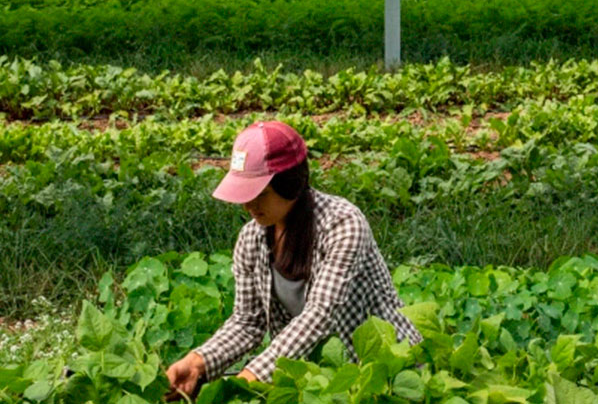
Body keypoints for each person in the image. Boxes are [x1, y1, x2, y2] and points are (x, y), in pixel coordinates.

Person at [164, 121, 422, 395]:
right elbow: (247, 321)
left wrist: (252, 375)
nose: (249, 205)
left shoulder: (343, 225)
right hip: (315, 380)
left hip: (383, 374)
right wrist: (197, 363)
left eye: (260, 194)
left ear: (291, 184)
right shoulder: (251, 239)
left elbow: (320, 314)